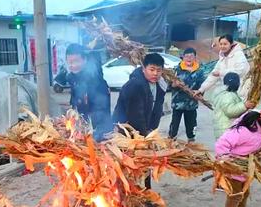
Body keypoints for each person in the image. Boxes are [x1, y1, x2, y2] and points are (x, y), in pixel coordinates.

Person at [113, 53, 167, 192]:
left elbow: (156, 109)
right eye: (152, 69)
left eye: (159, 70)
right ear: (143, 68)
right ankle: (123, 194)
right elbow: (136, 114)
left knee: (146, 161)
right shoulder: (135, 85)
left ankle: (146, 192)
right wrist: (145, 134)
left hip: (145, 129)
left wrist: (152, 130)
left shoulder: (160, 84)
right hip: (127, 130)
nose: (155, 73)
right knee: (126, 162)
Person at [65, 44, 112, 141]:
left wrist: (94, 134)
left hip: (98, 132)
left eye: (76, 61)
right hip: (81, 130)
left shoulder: (97, 82)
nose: (72, 65)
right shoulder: (72, 78)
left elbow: (101, 112)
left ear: (85, 60)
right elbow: (74, 102)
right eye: (69, 62)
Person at [168, 47, 206, 142]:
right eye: (186, 56)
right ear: (183, 57)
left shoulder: (199, 70)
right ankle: (171, 140)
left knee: (191, 125)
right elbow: (169, 85)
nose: (189, 58)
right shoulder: (176, 69)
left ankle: (191, 141)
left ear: (195, 57)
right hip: (178, 103)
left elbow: (202, 85)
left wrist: (200, 93)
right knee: (174, 124)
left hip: (191, 103)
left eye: (191, 56)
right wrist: (173, 84)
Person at [198, 34, 250, 99]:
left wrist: (221, 73)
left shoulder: (238, 55)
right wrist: (201, 89)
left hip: (240, 93)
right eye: (221, 44)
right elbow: (213, 75)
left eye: (225, 44)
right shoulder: (222, 57)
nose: (222, 46)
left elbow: (240, 70)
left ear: (231, 44)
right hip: (228, 93)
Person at [210, 72, 256, 140]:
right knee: (228, 149)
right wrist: (244, 106)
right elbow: (230, 111)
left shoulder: (223, 94)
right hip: (226, 129)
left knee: (224, 148)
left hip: (222, 129)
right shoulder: (228, 95)